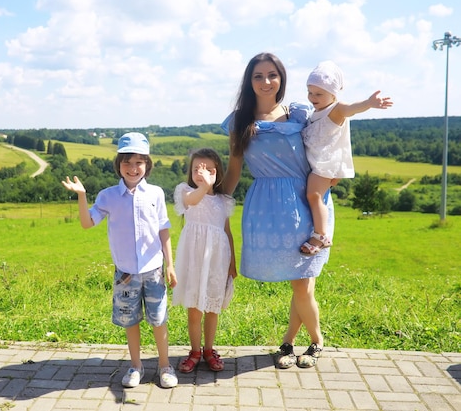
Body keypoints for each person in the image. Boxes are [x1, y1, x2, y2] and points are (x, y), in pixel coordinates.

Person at [221, 52, 332, 369]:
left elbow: (326, 147)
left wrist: (333, 176)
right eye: (258, 76)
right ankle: (289, 342)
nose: (266, 81)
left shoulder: (300, 113)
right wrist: (215, 200)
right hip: (267, 207)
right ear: (249, 81)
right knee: (299, 277)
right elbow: (233, 171)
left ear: (281, 79)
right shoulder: (240, 122)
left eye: (272, 75)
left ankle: (315, 342)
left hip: (307, 201)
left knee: (302, 279)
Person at [61, 132, 178, 388]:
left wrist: (170, 264)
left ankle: (164, 366)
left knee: (159, 320)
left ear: (147, 165)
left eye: (139, 162)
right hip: (125, 273)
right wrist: (82, 195)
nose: (133, 168)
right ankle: (136, 366)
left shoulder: (156, 194)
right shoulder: (108, 196)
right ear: (118, 165)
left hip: (154, 270)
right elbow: (86, 223)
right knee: (130, 321)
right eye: (127, 162)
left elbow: (163, 230)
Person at [300, 60, 393, 255]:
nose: (312, 97)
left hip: (325, 164)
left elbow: (352, 108)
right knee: (314, 197)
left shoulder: (337, 109)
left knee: (313, 195)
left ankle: (320, 236)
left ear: (333, 94)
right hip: (317, 163)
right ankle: (318, 231)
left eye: (319, 94)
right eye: (310, 92)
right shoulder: (315, 112)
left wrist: (368, 103)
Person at [171, 148, 237, 373]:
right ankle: (195, 351)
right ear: (190, 172)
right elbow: (193, 200)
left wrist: (232, 264)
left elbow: (227, 232)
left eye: (209, 169)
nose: (203, 172)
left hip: (217, 260)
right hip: (194, 260)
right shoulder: (186, 191)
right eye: (197, 168)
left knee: (212, 307)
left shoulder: (223, 201)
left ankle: (209, 349)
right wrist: (204, 185)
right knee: (194, 310)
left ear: (218, 172)